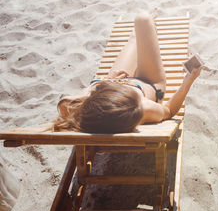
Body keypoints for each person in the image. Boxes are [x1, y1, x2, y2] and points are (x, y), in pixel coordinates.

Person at [52, 12, 201, 133]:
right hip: (150, 82)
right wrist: (188, 81)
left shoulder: (83, 107)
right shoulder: (144, 108)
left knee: (137, 31)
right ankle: (151, 23)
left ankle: (146, 27)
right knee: (143, 19)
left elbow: (64, 102)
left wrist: (105, 81)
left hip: (114, 82)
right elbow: (168, 110)